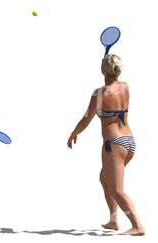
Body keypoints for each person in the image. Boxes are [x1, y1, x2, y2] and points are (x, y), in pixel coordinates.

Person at [67, 54, 145, 236]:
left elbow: (86, 119)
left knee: (117, 190)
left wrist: (73, 133)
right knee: (104, 178)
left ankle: (137, 225)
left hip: (114, 144)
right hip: (130, 141)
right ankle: (113, 219)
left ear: (103, 70)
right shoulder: (125, 87)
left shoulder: (99, 94)